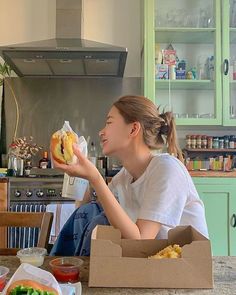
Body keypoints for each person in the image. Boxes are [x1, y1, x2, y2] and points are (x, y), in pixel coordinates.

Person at [50, 95, 208, 256]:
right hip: (151, 265)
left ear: (133, 129)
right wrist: (79, 171)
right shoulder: (125, 177)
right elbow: (87, 211)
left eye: (109, 122)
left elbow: (141, 241)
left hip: (183, 270)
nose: (101, 132)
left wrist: (96, 178)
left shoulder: (167, 169)